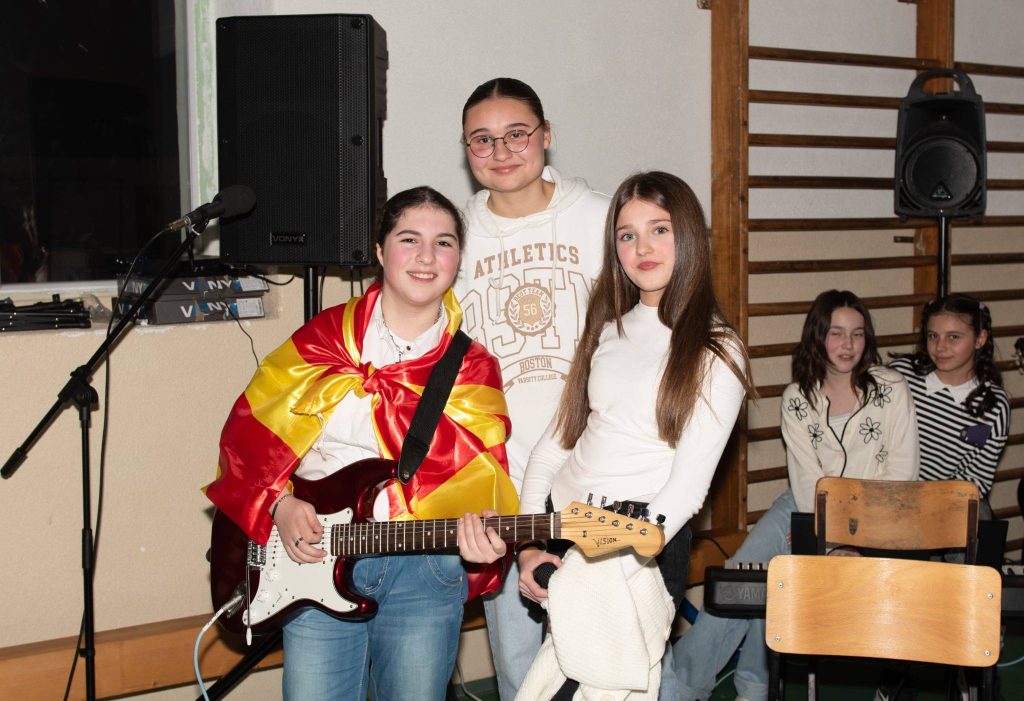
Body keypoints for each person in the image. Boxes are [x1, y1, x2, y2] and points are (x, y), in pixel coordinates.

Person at [204, 186, 516, 701]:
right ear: (379, 250)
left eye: (443, 243)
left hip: (426, 569)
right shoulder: (322, 338)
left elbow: (488, 484)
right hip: (315, 558)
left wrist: (489, 539)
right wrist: (279, 503)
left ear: (458, 258)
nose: (426, 256)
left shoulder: (474, 368)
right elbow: (250, 435)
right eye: (409, 239)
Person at [513, 171, 755, 697]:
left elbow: (686, 490)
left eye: (659, 229)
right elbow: (552, 448)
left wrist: (606, 562)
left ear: (688, 235)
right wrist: (530, 545)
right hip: (564, 532)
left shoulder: (718, 348)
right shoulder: (606, 327)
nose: (642, 248)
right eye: (627, 235)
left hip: (640, 545)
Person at [672, 289, 919, 701]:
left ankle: (754, 687)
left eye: (857, 334)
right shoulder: (797, 398)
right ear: (817, 337)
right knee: (741, 577)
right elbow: (807, 484)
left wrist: (856, 542)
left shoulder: (891, 388)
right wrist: (831, 542)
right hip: (805, 507)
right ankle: (681, 687)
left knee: (777, 581)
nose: (848, 344)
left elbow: (901, 477)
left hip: (878, 517)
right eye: (836, 333)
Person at [455, 76, 611, 700]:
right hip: (505, 479)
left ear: (547, 136)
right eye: (482, 139)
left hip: (601, 476)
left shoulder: (602, 217)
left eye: (516, 134)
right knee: (523, 673)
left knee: (624, 662)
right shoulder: (454, 236)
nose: (501, 151)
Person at [890, 293, 1010, 506]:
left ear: (980, 339)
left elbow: (975, 482)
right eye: (933, 336)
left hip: (940, 509)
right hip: (881, 496)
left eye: (953, 337)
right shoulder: (900, 375)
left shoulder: (994, 406)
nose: (940, 347)